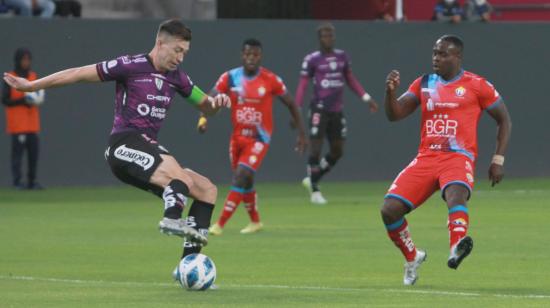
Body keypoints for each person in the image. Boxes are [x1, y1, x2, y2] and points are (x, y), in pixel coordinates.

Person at [3, 19, 231, 266]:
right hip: (124, 145)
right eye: (177, 50)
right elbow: (78, 73)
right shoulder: (129, 66)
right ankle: (172, 218)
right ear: (160, 43)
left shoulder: (178, 78)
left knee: (207, 189)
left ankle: (189, 266)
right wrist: (32, 86)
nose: (180, 58)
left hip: (149, 148)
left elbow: (205, 105)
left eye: (184, 53)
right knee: (181, 178)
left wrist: (216, 104)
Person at [382, 35, 512, 285]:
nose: (436, 58)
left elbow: (504, 119)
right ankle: (412, 257)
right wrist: (390, 94)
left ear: (457, 57)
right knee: (389, 210)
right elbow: (395, 114)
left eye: (442, 54)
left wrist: (498, 159)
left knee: (456, 194)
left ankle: (456, 246)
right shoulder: (424, 83)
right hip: (427, 157)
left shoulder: (477, 85)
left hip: (457, 156)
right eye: (434, 53)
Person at [199, 38, 307, 235]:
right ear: (242, 55)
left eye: (255, 55)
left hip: (259, 139)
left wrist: (301, 132)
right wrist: (203, 117)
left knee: (241, 176)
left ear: (260, 57)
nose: (251, 58)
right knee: (245, 181)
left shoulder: (270, 79)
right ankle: (255, 222)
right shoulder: (230, 77)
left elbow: (291, 103)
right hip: (237, 138)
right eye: (247, 54)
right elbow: (211, 96)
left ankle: (219, 225)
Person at [295, 22, 378, 204]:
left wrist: (366, 98)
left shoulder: (342, 57)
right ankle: (315, 190)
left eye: (331, 35)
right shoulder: (312, 59)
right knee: (315, 149)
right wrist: (296, 108)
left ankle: (313, 178)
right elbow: (303, 84)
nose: (329, 38)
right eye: (325, 35)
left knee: (337, 150)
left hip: (336, 111)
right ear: (319, 38)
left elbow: (350, 79)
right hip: (319, 109)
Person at [2, 48, 44, 189]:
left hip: (32, 125)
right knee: (17, 157)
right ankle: (17, 182)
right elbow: (5, 100)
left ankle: (32, 182)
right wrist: (23, 101)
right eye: (23, 59)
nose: (26, 62)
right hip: (17, 125)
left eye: (28, 59)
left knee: (33, 155)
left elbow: (39, 96)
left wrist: (34, 100)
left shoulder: (33, 76)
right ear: (18, 61)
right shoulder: (11, 77)